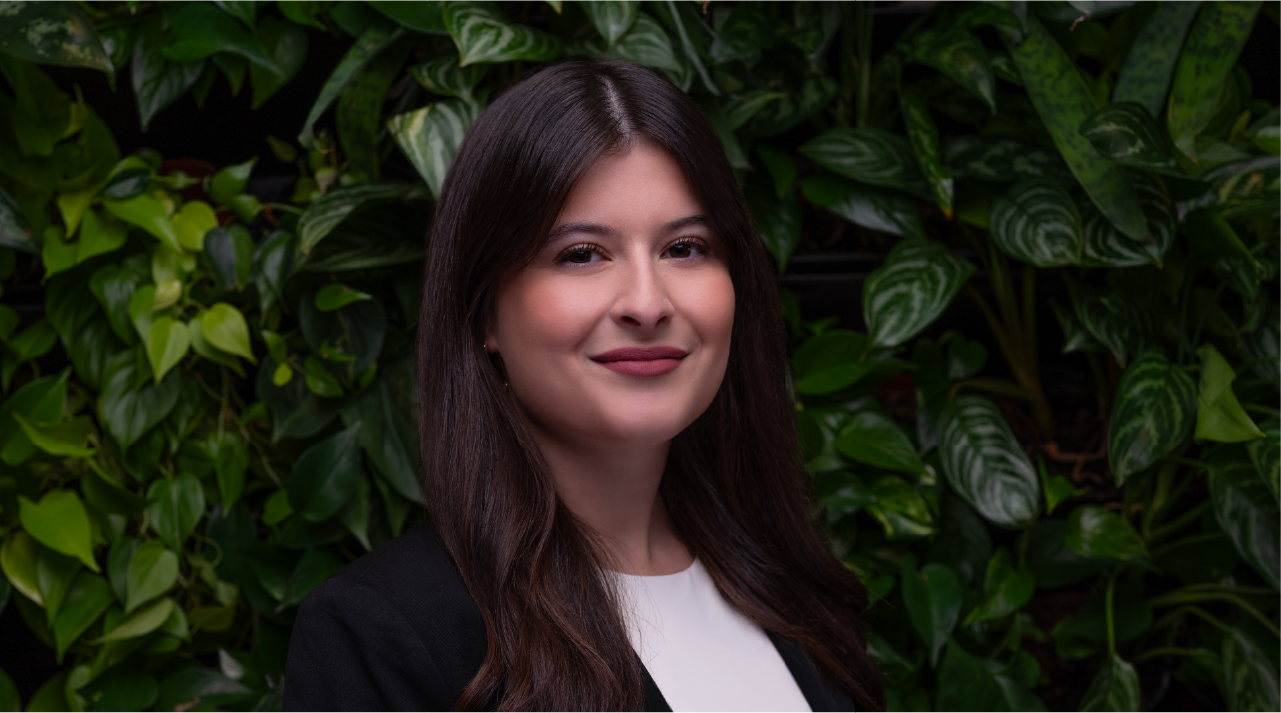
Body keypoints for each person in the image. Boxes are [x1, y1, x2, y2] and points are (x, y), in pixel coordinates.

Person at [283, 59, 883, 713]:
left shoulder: (798, 596)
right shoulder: (384, 634)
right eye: (581, 254)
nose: (646, 303)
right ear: (484, 312)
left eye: (683, 247)